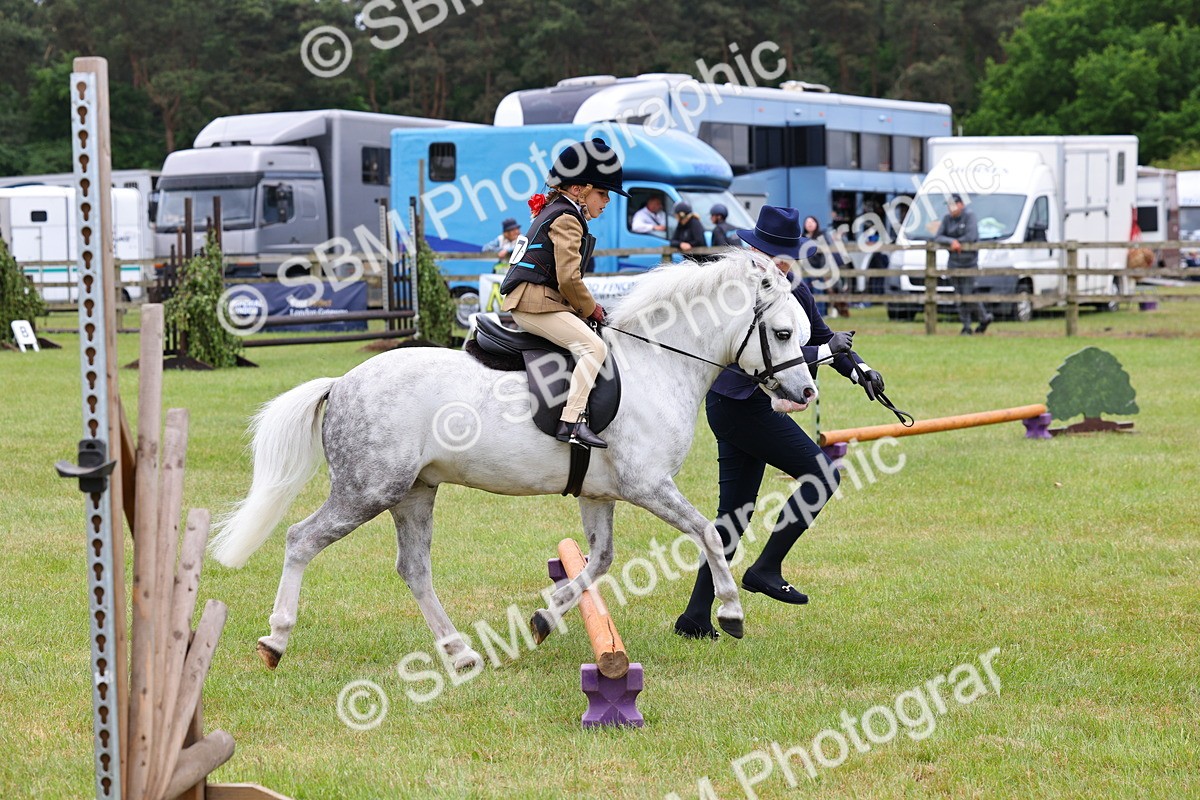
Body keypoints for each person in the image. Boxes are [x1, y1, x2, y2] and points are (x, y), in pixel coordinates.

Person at [674, 205, 886, 640]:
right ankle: (766, 568)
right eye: (772, 253)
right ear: (753, 248)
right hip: (738, 406)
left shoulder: (791, 290)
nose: (780, 262)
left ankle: (694, 618)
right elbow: (765, 358)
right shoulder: (737, 296)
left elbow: (824, 337)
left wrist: (860, 368)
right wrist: (822, 355)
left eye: (786, 255)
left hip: (747, 410)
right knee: (822, 474)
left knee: (734, 515)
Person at [499, 138, 628, 449]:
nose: (607, 200)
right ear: (577, 189)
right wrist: (591, 309)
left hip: (535, 298)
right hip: (533, 302)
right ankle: (571, 421)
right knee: (594, 348)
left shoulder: (556, 210)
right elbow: (569, 279)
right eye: (602, 192)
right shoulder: (568, 218)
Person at [935, 194, 993, 335]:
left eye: (953, 205)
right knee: (959, 296)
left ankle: (983, 317)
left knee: (968, 294)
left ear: (961, 204)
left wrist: (957, 241)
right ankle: (967, 326)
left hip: (969, 263)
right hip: (954, 263)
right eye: (949, 205)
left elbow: (971, 236)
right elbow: (938, 236)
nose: (950, 208)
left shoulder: (969, 216)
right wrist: (951, 242)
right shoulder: (947, 219)